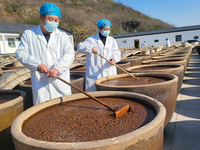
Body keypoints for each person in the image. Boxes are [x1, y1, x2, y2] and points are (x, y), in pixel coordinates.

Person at [16, 3, 74, 105]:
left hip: (60, 85)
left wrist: (57, 68)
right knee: (43, 114)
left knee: (63, 112)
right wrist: (37, 64)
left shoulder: (62, 36)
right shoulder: (29, 34)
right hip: (41, 86)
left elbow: (69, 54)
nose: (54, 23)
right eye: (50, 19)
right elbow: (21, 53)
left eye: (56, 20)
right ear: (41, 17)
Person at [77, 19, 121, 92]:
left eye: (108, 29)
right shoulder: (91, 39)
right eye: (105, 29)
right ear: (100, 29)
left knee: (110, 93)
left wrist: (114, 59)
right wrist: (90, 48)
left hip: (109, 70)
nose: (107, 31)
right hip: (95, 72)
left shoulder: (112, 40)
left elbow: (117, 52)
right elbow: (80, 47)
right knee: (95, 94)